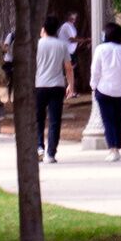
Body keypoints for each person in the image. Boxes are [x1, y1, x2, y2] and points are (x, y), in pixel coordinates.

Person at [89, 23, 121, 157]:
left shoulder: (100, 49)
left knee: (107, 119)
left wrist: (94, 85)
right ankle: (117, 143)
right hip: (120, 90)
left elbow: (95, 70)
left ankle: (113, 148)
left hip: (103, 89)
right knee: (117, 118)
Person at [31, 15, 75, 159]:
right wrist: (71, 85)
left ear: (43, 29)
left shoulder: (37, 45)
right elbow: (68, 68)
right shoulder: (61, 45)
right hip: (57, 86)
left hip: (39, 85)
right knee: (55, 120)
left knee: (39, 118)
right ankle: (51, 153)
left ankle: (39, 146)